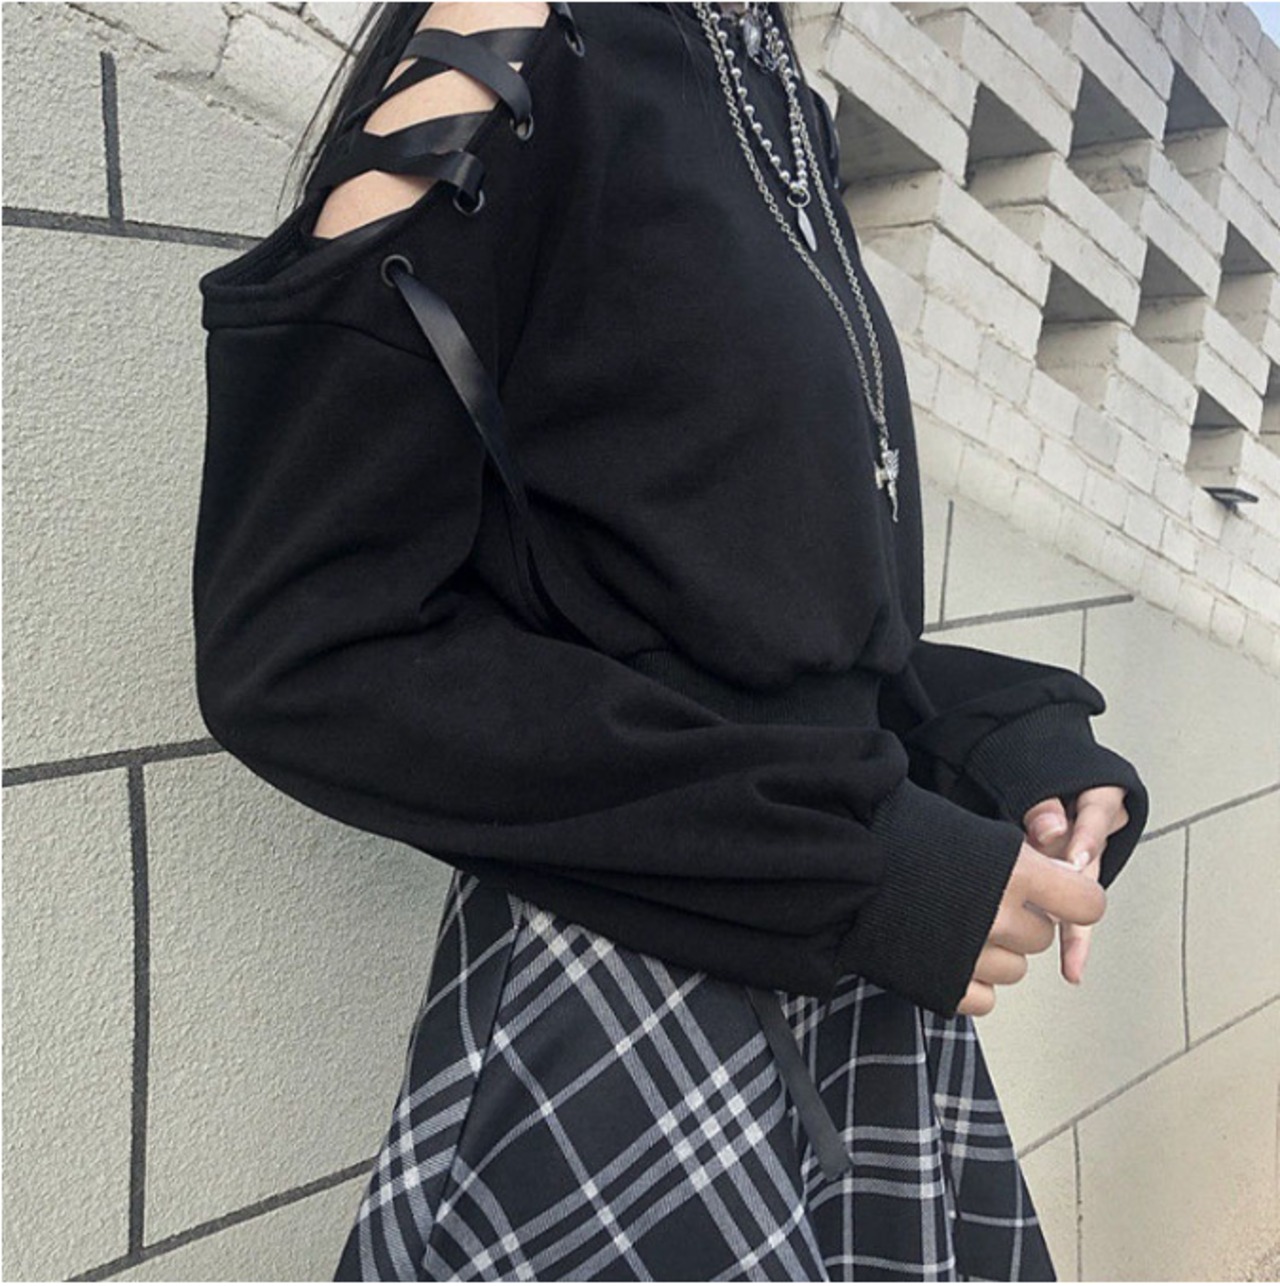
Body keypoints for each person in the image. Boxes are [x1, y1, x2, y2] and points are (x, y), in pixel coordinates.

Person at [192, 2, 1150, 1279]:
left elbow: (730, 600)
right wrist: (859, 858)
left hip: (844, 969)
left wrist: (1002, 740)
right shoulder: (513, 35)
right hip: (640, 986)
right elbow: (308, 650)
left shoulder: (768, 85)